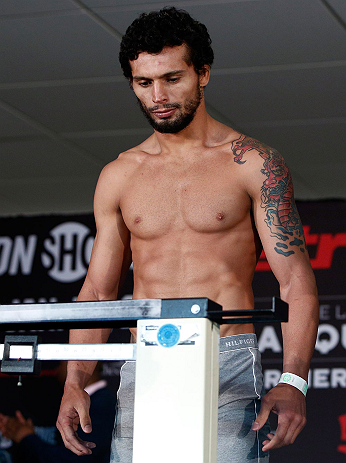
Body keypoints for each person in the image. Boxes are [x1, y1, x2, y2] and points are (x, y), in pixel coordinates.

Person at [56, 7, 319, 463]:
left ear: (204, 73)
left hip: (227, 359)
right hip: (147, 359)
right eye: (143, 83)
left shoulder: (253, 162)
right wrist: (75, 380)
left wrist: (293, 379)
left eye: (172, 78)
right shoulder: (118, 175)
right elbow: (99, 289)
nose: (158, 95)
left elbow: (295, 280)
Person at [0, 363, 116, 463]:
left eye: (62, 363)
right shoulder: (99, 402)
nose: (57, 370)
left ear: (81, 364)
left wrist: (25, 436)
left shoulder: (101, 405)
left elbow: (73, 458)